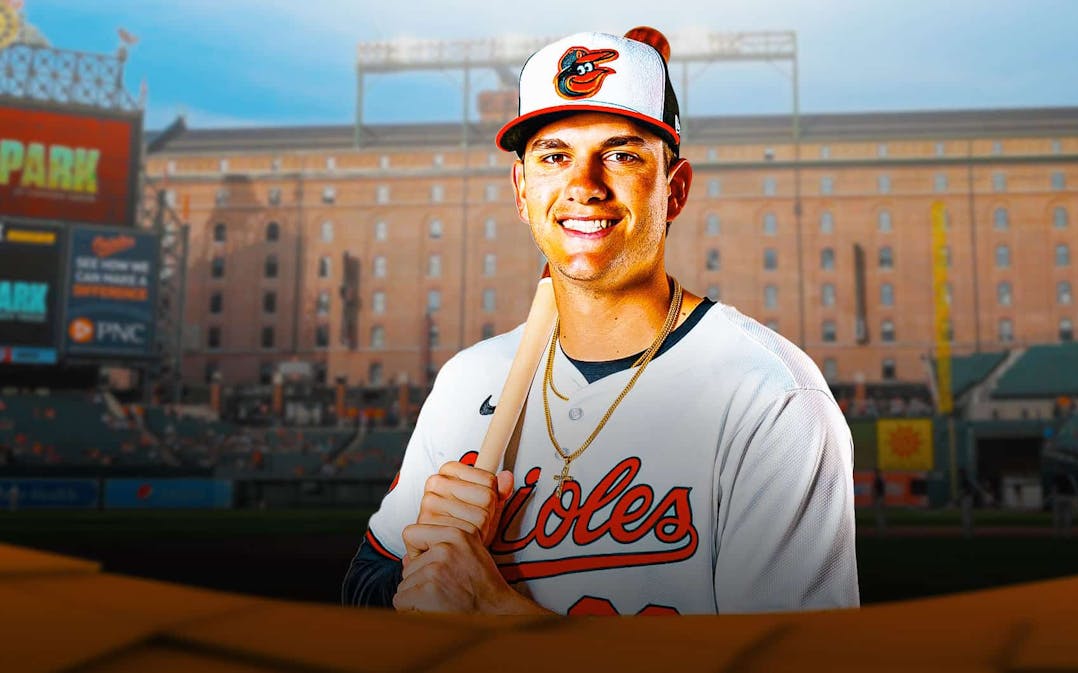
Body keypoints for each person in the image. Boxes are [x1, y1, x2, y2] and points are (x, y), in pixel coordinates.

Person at [342, 28, 858, 615]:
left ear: (677, 189)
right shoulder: (469, 381)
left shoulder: (770, 396)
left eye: (622, 154)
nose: (584, 186)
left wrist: (501, 619)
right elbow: (364, 591)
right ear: (521, 191)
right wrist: (421, 564)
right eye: (555, 156)